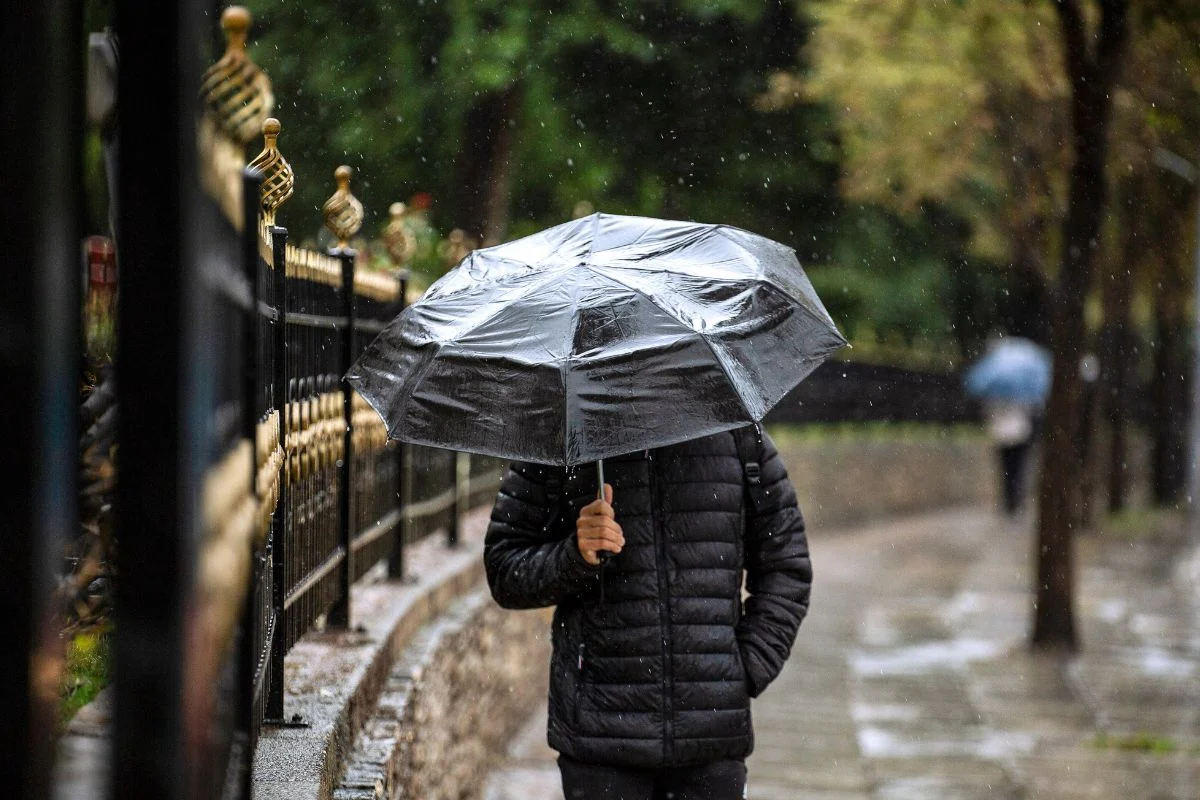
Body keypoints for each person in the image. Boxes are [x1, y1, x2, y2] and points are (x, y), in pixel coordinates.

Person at [483, 425, 811, 800]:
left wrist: (745, 668)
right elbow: (504, 569)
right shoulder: (563, 437)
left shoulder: (736, 434)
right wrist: (576, 554)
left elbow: (787, 567)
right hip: (601, 737)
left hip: (710, 739)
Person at [982, 398, 1039, 515]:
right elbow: (1030, 411)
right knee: (1017, 468)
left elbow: (990, 414)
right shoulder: (1022, 394)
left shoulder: (995, 395)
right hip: (1019, 434)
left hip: (1002, 435)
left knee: (1006, 469)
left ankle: (1009, 499)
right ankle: (1016, 498)